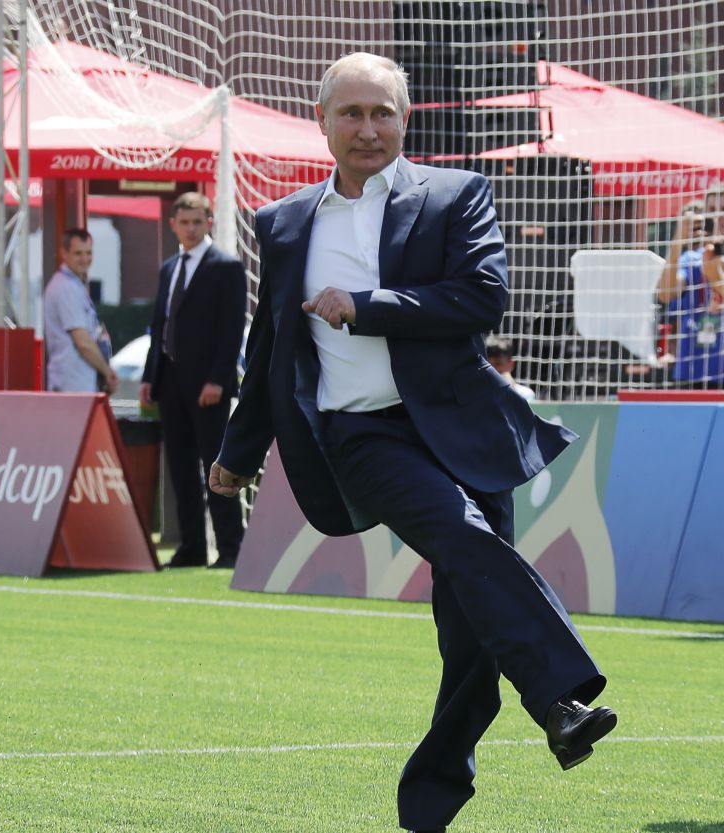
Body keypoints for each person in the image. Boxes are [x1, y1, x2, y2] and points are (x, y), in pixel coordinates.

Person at [208, 53, 616, 833]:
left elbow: (481, 296)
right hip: (361, 434)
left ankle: (431, 800)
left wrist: (367, 306)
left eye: (383, 113)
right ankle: (561, 693)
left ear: (405, 119)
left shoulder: (455, 195)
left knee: (469, 631)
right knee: (461, 538)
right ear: (322, 121)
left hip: (464, 426)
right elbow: (271, 351)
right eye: (353, 114)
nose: (368, 129)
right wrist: (237, 450)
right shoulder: (285, 222)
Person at [140, 193, 247, 569]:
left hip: (209, 387)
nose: (190, 228)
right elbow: (160, 326)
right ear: (173, 224)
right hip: (171, 383)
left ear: (209, 223)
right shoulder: (170, 267)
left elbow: (232, 329)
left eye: (197, 222)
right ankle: (191, 547)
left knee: (218, 466)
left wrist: (219, 378)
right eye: (184, 222)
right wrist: (150, 376)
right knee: (181, 468)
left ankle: (231, 547)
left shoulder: (226, 267)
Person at [657, 185, 724, 388]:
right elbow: (665, 295)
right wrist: (679, 240)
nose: (718, 215)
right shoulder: (692, 258)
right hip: (692, 371)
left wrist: (719, 275)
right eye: (711, 209)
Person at [44, 228, 116, 394]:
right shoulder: (66, 287)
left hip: (78, 381)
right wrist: (106, 371)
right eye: (78, 253)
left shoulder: (75, 284)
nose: (85, 259)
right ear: (64, 253)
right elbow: (83, 342)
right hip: (71, 384)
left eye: (88, 253)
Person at [484, 335, 535, 400]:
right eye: (489, 365)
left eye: (498, 364)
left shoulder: (525, 395)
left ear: (511, 364)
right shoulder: (477, 392)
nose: (493, 370)